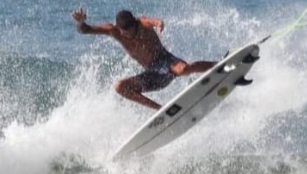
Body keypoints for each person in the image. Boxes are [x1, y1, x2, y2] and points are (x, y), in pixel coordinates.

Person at [71, 7, 216, 110]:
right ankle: (161, 109)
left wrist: (159, 24)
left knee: (184, 69)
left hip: (165, 61)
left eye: (132, 30)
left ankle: (218, 65)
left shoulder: (141, 23)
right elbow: (84, 30)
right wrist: (80, 22)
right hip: (152, 74)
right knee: (120, 86)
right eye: (126, 32)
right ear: (119, 29)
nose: (130, 34)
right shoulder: (113, 31)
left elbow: (153, 21)